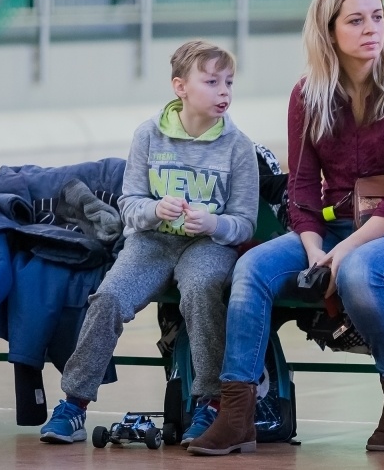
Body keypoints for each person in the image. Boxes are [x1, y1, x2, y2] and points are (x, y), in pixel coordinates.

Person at [188, 0, 384, 456]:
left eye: (378, 16)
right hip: (332, 231)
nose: (372, 28)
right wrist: (313, 247)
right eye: (356, 20)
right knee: (251, 269)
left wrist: (342, 250)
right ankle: (237, 413)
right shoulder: (308, 94)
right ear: (329, 32)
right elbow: (303, 186)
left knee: (359, 270)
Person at [40, 40, 259, 445]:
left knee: (201, 289)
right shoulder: (148, 135)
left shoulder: (238, 147)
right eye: (211, 81)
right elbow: (129, 205)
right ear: (180, 87)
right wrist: (156, 210)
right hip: (150, 242)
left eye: (228, 82)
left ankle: (208, 404)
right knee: (108, 299)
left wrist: (213, 222)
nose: (224, 91)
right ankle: (74, 405)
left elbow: (244, 224)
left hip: (207, 245)